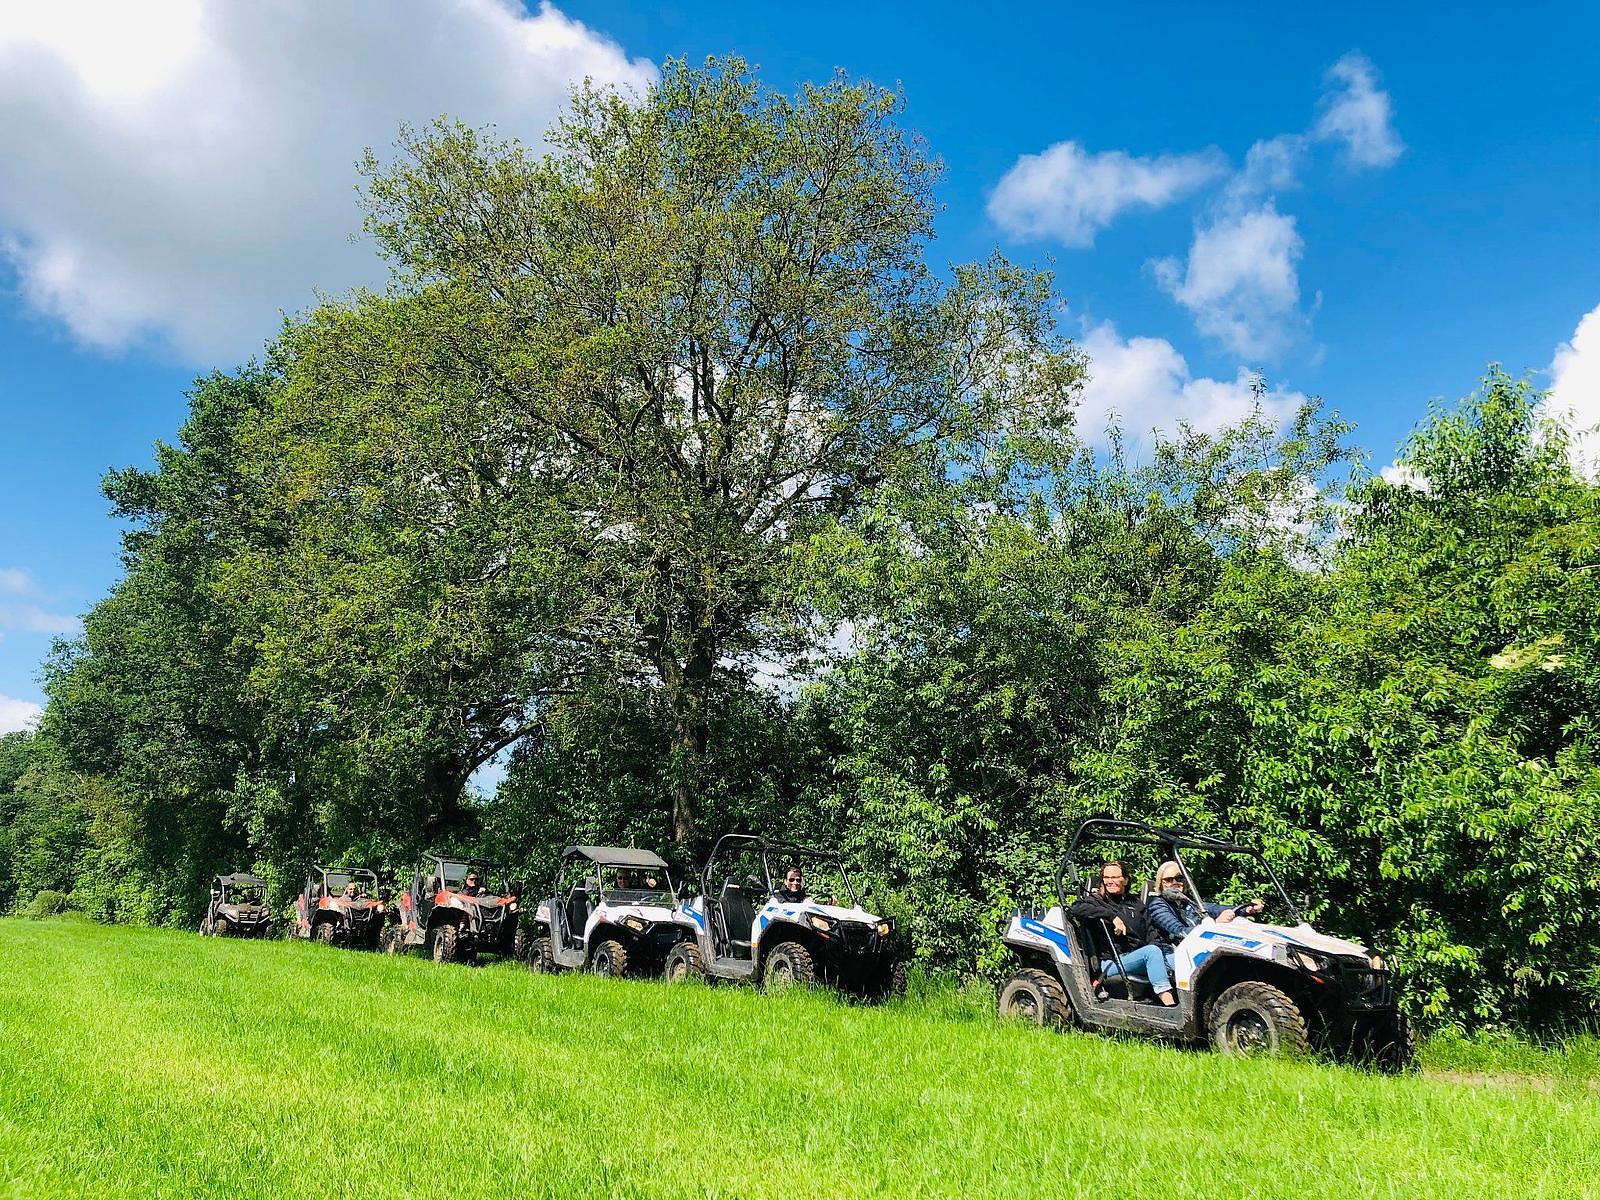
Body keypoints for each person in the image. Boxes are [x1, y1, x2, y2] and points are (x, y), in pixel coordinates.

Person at [1068, 861, 1176, 1007]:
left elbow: (1151, 933)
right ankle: (1169, 1004)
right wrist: (1112, 916)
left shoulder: (1136, 904)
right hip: (1111, 962)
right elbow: (1075, 908)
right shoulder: (1097, 900)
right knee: (1151, 952)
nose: (1109, 881)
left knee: (1180, 958)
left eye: (1114, 877)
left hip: (1139, 956)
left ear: (1125, 880)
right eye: (1106, 877)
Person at [1146, 860, 1264, 974]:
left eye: (1179, 878)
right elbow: (1179, 931)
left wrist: (1247, 909)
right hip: (1173, 956)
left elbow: (1217, 909)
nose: (1175, 882)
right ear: (1161, 883)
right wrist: (1216, 925)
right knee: (1209, 923)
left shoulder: (1190, 902)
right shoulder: (1157, 905)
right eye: (1168, 879)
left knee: (1239, 921)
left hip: (1196, 952)